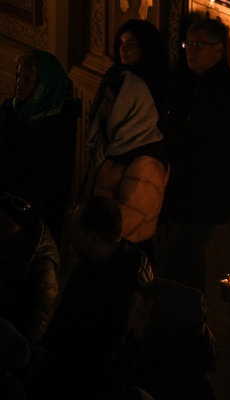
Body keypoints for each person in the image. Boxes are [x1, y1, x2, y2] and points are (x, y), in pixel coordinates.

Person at [157, 18, 230, 292]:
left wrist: (174, 169)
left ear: (218, 50)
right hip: (177, 192)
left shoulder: (227, 94)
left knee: (176, 265)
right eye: (188, 43)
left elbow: (217, 152)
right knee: (183, 264)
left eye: (198, 45)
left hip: (201, 198)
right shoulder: (187, 80)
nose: (190, 50)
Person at [30, 196, 153, 400]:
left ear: (94, 238)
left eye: (75, 228)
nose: (70, 232)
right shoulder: (93, 260)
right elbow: (65, 312)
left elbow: (99, 355)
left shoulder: (125, 287)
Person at [84, 70, 169, 264]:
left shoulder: (146, 161)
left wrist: (91, 237)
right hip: (101, 245)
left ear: (128, 107)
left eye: (111, 102)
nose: (103, 108)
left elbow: (126, 218)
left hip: (123, 254)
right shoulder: (113, 143)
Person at [0, 50, 81, 245]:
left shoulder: (58, 125)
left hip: (34, 215)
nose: (19, 83)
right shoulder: (10, 110)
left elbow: (47, 183)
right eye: (19, 76)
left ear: (42, 87)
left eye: (27, 80)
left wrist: (13, 210)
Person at [106, 278, 218, 400]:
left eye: (141, 316)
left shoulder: (188, 380)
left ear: (161, 323)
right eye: (133, 310)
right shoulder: (142, 343)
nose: (131, 320)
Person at [0, 192, 59, 346]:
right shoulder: (10, 241)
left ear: (24, 228)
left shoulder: (44, 271)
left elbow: (35, 327)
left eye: (6, 223)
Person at [89, 18, 171, 127]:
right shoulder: (115, 72)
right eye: (121, 43)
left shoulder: (159, 79)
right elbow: (96, 113)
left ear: (146, 46)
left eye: (131, 44)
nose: (123, 49)